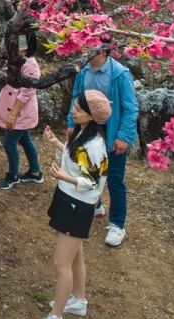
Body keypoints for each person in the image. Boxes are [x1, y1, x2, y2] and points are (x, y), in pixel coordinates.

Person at [42, 90, 112, 319]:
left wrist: (65, 177)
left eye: (79, 109)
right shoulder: (84, 134)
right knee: (75, 254)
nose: (74, 110)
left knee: (60, 264)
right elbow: (77, 157)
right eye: (75, 105)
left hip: (77, 205)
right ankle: (78, 300)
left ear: (92, 115)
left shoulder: (94, 144)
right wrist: (57, 143)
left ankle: (56, 314)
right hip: (69, 199)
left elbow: (92, 181)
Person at [65, 38, 139, 247]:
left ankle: (117, 224)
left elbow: (130, 107)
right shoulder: (84, 70)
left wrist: (124, 136)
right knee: (86, 167)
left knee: (114, 178)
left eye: (92, 44)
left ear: (104, 50)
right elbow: (76, 97)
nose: (86, 48)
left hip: (112, 128)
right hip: (88, 127)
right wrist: (72, 122)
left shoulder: (119, 74)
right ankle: (94, 205)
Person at [0, 31, 43, 189]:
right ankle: (35, 172)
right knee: (25, 140)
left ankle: (13, 175)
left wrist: (13, 114)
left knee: (9, 143)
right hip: (14, 107)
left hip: (20, 111)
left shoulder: (30, 64)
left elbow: (28, 90)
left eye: (22, 42)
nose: (19, 45)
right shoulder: (17, 60)